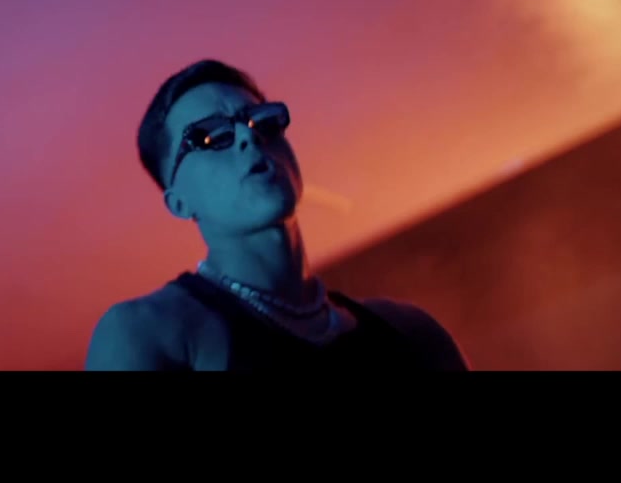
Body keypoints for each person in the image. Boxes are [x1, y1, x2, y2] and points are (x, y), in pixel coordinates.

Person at [84, 59, 469, 371]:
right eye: (210, 136)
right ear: (179, 203)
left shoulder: (410, 331)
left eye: (262, 120)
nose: (248, 136)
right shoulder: (149, 333)